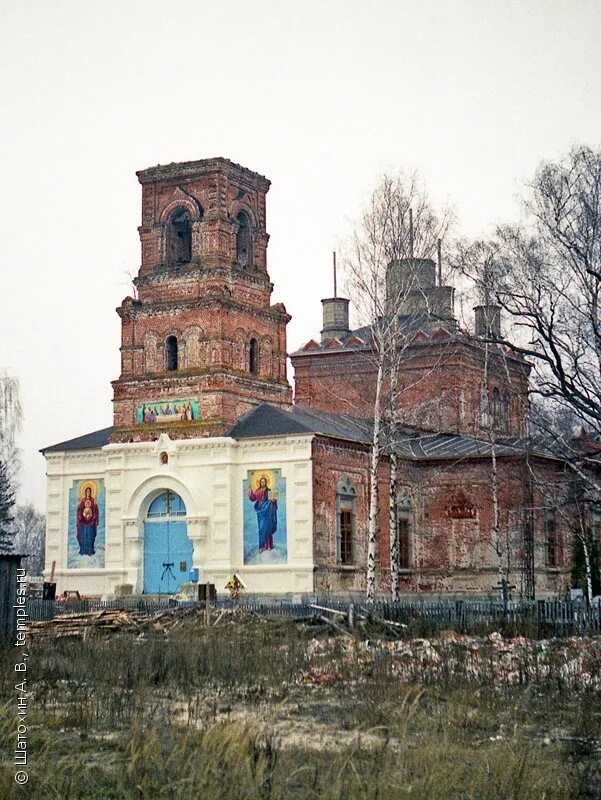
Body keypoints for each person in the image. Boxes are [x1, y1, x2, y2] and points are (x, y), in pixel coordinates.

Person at [247, 476, 277, 552]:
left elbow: (274, 503)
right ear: (260, 483)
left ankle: (269, 546)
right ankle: (262, 546)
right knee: (261, 529)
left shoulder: (269, 491)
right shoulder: (257, 491)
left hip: (268, 512)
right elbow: (253, 498)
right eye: (261, 482)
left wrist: (273, 501)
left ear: (266, 482)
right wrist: (250, 491)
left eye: (264, 482)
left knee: (268, 527)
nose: (263, 483)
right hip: (261, 512)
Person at [76, 486, 99, 556]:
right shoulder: (82, 501)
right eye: (87, 491)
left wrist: (94, 517)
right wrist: (81, 516)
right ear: (85, 492)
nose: (88, 493)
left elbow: (96, 510)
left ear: (91, 492)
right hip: (83, 522)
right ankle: (83, 550)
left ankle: (90, 550)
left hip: (91, 522)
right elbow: (79, 510)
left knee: (90, 536)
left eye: (89, 491)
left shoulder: (93, 501)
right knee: (83, 536)